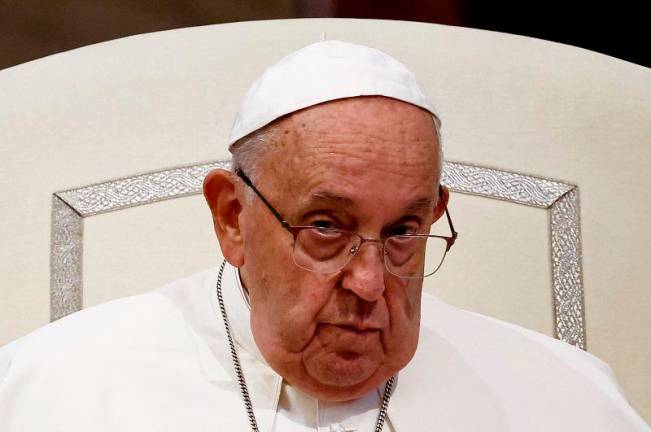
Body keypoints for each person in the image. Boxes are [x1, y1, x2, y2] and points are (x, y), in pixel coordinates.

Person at [0, 40, 648, 431]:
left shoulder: (562, 399)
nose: (368, 284)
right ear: (231, 217)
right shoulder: (52, 391)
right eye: (324, 227)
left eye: (402, 231)